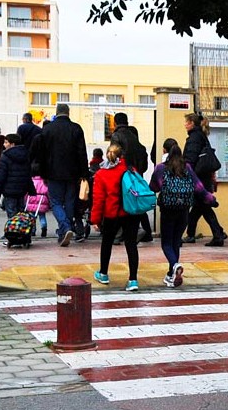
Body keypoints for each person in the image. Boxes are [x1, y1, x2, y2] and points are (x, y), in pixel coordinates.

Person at [150, 142, 216, 288]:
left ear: (165, 152)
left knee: (166, 243)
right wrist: (211, 200)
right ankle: (171, 275)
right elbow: (199, 187)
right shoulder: (187, 168)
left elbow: (153, 187)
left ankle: (174, 265)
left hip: (168, 210)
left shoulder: (161, 168)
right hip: (184, 209)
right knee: (176, 242)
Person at [31, 103, 89, 247]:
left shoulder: (47, 129)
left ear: (56, 113)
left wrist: (42, 172)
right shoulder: (76, 128)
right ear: (68, 113)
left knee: (55, 202)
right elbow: (82, 152)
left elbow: (41, 155)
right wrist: (84, 173)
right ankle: (64, 230)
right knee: (69, 201)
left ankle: (65, 227)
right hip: (72, 173)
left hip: (52, 172)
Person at [91, 144, 141, 291]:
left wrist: (95, 219)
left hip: (111, 213)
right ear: (122, 156)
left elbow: (98, 199)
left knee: (107, 243)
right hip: (130, 212)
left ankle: (103, 273)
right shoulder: (130, 170)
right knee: (131, 244)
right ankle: (133, 280)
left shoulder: (101, 174)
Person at [182, 113, 226, 246]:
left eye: (186, 122)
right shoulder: (201, 135)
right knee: (198, 208)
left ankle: (218, 235)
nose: (184, 124)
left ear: (191, 123)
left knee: (204, 208)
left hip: (198, 179)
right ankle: (192, 234)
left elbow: (190, 160)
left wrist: (187, 175)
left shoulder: (194, 138)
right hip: (204, 178)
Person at [110, 112, 152, 243]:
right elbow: (143, 156)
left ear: (115, 123)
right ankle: (146, 232)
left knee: (121, 203)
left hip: (123, 174)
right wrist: (138, 171)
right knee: (137, 201)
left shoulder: (116, 136)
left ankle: (120, 233)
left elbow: (114, 155)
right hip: (136, 174)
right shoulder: (133, 135)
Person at [0, 134, 34, 219]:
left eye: (6, 142)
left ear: (12, 144)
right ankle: (22, 230)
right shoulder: (25, 155)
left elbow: (1, 176)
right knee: (22, 215)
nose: (4, 145)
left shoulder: (5, 156)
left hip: (9, 192)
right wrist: (31, 189)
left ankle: (14, 231)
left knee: (12, 216)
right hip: (22, 190)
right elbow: (28, 174)